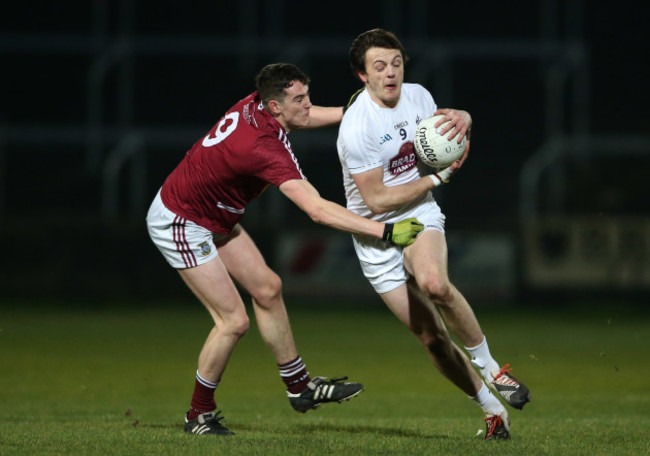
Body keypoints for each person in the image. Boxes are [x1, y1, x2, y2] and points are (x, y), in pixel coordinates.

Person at [146, 62, 424, 436]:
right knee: (233, 321)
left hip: (214, 216)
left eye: (307, 94)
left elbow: (304, 118)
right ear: (275, 107)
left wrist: (360, 111)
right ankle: (198, 414)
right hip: (181, 221)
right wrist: (385, 231)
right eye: (300, 99)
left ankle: (300, 388)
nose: (308, 104)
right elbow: (317, 210)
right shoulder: (262, 147)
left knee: (268, 289)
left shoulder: (259, 105)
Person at [336, 29, 532, 441]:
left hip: (419, 213)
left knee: (433, 282)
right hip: (376, 231)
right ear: (362, 75)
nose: (390, 73)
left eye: (396, 63)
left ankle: (494, 368)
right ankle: (492, 409)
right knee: (432, 339)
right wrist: (436, 179)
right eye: (379, 66)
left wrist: (466, 119)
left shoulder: (419, 95)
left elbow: (450, 132)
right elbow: (375, 200)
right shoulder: (357, 128)